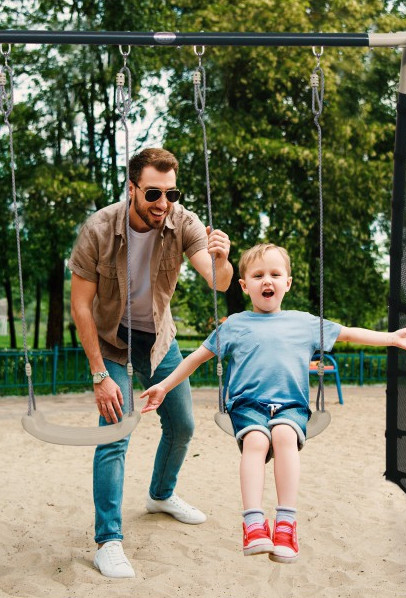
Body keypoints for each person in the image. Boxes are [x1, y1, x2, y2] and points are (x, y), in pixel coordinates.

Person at [139, 243, 406, 564]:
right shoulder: (234, 325)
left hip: (291, 406)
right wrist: (164, 385)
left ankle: (286, 524)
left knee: (284, 436)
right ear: (244, 285)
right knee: (256, 442)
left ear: (287, 283)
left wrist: (391, 338)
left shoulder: (304, 323)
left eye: (275, 274)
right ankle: (253, 524)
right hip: (247, 405)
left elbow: (348, 333)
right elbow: (196, 358)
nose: (267, 280)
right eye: (258, 275)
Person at [68, 147, 233, 579]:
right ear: (132, 188)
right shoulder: (99, 229)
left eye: (171, 193)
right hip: (111, 342)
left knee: (183, 425)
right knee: (116, 433)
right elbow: (80, 306)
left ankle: (160, 494)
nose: (163, 203)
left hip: (159, 339)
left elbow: (218, 282)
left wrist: (222, 259)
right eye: (154, 193)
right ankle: (108, 540)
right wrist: (99, 374)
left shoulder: (183, 222)